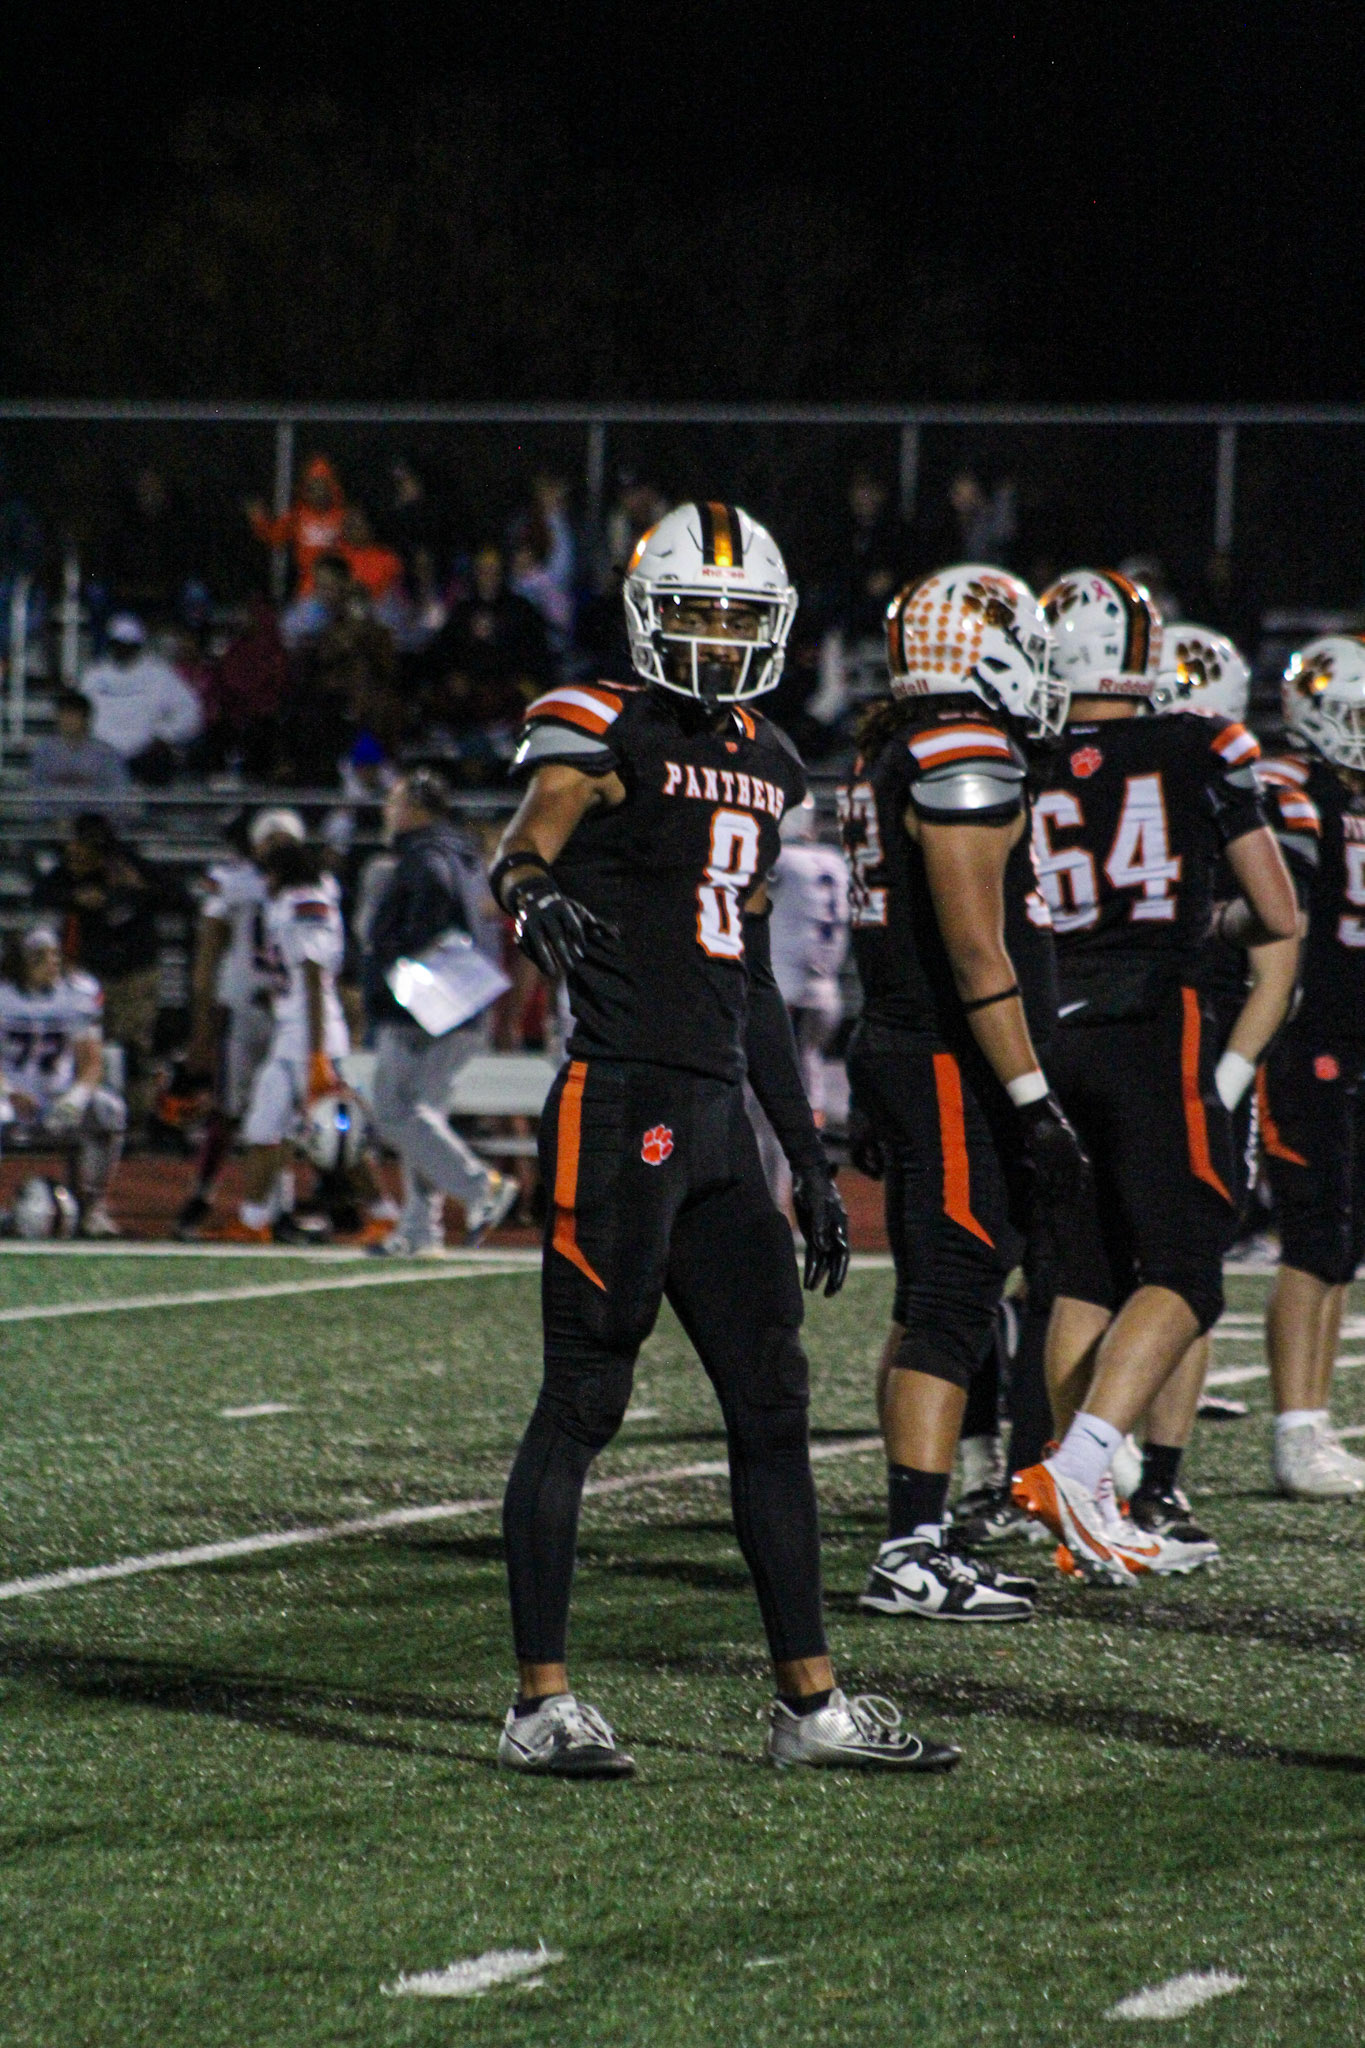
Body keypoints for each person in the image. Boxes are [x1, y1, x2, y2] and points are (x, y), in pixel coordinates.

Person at [489, 500, 955, 1777]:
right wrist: (527, 888)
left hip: (715, 1121)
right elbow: (528, 835)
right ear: (647, 612)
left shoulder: (772, 759)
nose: (713, 634)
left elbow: (748, 974)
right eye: (693, 608)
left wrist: (803, 1153)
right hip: (619, 1101)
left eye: (735, 615)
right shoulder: (602, 720)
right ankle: (540, 1702)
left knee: (772, 1399)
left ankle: (809, 1706)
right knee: (586, 1395)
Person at [1011, 571, 1299, 1581]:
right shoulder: (1197, 742)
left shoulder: (1021, 753)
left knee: (1084, 1274)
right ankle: (1078, 1471)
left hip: (1048, 1026)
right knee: (1185, 1267)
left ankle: (1084, 1508)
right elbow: (1277, 912)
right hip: (1151, 1021)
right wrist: (1209, 919)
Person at [838, 565, 1085, 1625]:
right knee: (950, 1297)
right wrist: (1030, 1098)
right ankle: (910, 1548)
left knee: (933, 1297)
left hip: (907, 1049)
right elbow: (978, 950)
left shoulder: (897, 745)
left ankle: (919, 1532)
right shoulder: (962, 749)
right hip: (948, 1058)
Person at [1119, 627, 1304, 1542]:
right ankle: (1080, 1462)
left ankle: (1153, 1475)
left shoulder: (1220, 804)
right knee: (1095, 1271)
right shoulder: (1127, 791)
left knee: (1181, 1272)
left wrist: (1225, 1082)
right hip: (1133, 1047)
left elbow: (1279, 960)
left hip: (1194, 1052)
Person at [1256, 634, 1365, 1499]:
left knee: (1340, 1241)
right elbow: (1280, 914)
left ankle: (1314, 1420)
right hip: (1305, 1038)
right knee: (1311, 1233)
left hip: (1350, 1036)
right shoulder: (1289, 787)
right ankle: (1294, 1426)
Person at [363, 769, 518, 1256]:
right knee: (423, 1121)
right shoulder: (461, 853)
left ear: (416, 807)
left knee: (395, 1110)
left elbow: (432, 900)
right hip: (461, 999)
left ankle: (482, 1187)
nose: (388, 811)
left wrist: (392, 950)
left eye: (394, 802)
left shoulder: (426, 855)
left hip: (426, 1000)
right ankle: (419, 1229)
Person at [209, 838, 350, 1244]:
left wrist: (318, 1054)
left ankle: (382, 1212)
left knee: (338, 1134)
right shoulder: (288, 903)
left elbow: (313, 977)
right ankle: (255, 1220)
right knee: (263, 1126)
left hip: (311, 1034)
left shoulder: (305, 903)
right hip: (294, 1031)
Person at [175, 808, 307, 1239]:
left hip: (291, 1013)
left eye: (284, 839)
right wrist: (203, 1014)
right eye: (270, 838)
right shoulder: (235, 879)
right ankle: (202, 1194)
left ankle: (279, 1207)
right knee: (229, 1109)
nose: (277, 846)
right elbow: (209, 947)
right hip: (243, 1009)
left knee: (284, 1111)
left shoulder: (314, 884)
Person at [33, 813, 166, 1131]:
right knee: (86, 1047)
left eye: (81, 844)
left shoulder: (129, 866)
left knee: (134, 1050)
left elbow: (175, 896)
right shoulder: (70, 873)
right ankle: (84, 1115)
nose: (74, 851)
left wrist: (130, 892)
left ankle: (137, 1120)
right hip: (88, 976)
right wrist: (75, 898)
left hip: (134, 973)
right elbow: (41, 893)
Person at [749, 794, 849, 1208]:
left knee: (768, 1105)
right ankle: (802, 1193)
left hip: (785, 994)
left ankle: (780, 1203)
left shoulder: (782, 861)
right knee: (807, 1091)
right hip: (825, 994)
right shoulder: (834, 861)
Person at [0, 926, 127, 1238]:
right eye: (40, 956)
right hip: (8, 1097)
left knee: (108, 1110)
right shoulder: (4, 996)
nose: (52, 962)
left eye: (55, 954)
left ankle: (92, 1205)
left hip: (57, 1100)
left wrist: (74, 1099)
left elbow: (92, 1063)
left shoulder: (76, 995)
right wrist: (10, 1092)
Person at [79, 614, 204, 784]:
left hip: (146, 755)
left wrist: (165, 735)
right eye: (118, 644)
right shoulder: (94, 675)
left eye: (128, 645)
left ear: (138, 645)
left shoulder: (159, 673)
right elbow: (78, 711)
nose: (123, 649)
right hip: (101, 756)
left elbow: (190, 711)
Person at [27, 689, 133, 823]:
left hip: (94, 823)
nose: (68, 721)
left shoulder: (106, 753)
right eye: (64, 715)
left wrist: (91, 820)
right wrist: (54, 817)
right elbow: (36, 789)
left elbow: (117, 791)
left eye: (74, 715)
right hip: (52, 823)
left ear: (86, 718)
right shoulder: (44, 751)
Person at [246, 454, 347, 594]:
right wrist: (259, 520)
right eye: (312, 488)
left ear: (331, 488)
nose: (318, 492)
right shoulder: (297, 515)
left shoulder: (344, 516)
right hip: (309, 585)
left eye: (322, 486)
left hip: (340, 585)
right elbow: (276, 537)